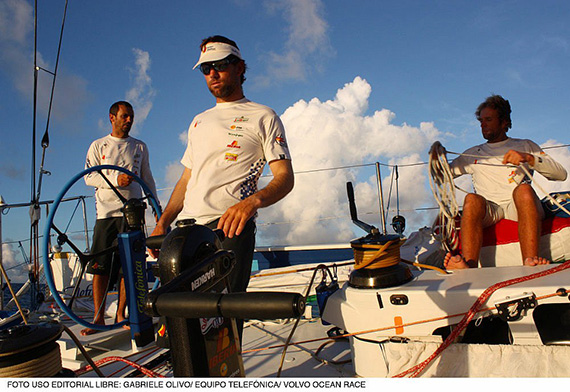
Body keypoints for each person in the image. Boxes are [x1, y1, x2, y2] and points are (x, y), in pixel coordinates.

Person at [150, 35, 294, 314]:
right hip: (186, 231)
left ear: (240, 67)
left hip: (229, 228)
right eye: (206, 68)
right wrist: (163, 222)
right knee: (183, 324)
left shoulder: (263, 116)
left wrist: (251, 203)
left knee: (224, 327)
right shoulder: (198, 121)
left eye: (220, 65)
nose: (212, 73)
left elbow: (285, 177)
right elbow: (186, 179)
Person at [443, 95, 567, 270]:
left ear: (504, 122)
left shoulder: (525, 145)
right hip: (491, 209)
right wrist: (437, 158)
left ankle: (530, 260)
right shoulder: (473, 153)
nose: (483, 124)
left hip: (518, 206)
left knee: (523, 189)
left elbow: (560, 174)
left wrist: (529, 158)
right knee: (471, 199)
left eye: (488, 119)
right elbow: (442, 175)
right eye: (481, 121)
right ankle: (468, 266)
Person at [83, 101, 158, 336]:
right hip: (106, 214)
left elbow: (147, 177)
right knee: (101, 268)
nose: (129, 120)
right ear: (112, 117)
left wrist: (156, 205)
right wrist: (116, 180)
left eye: (131, 117)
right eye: (125, 116)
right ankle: (98, 318)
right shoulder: (98, 145)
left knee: (129, 267)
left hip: (133, 213)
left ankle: (121, 314)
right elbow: (89, 177)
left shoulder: (140, 147)